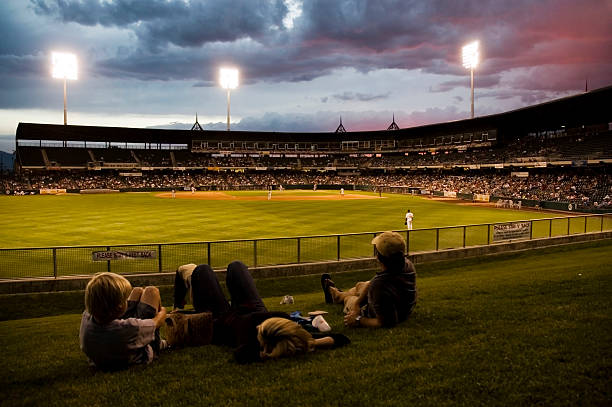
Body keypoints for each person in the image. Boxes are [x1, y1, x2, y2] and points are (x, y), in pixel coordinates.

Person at [173, 261, 349, 363]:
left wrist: (268, 353)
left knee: (201, 270)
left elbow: (240, 355)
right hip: (252, 309)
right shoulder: (284, 323)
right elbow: (341, 338)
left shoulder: (250, 339)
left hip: (223, 319)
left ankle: (177, 306)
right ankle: (179, 303)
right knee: (236, 266)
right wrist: (311, 343)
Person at [321, 231, 417, 329]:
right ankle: (337, 295)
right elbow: (372, 283)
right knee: (360, 285)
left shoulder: (380, 285)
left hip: (375, 311)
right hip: (402, 303)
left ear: (378, 257)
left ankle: (337, 296)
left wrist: (358, 320)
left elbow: (387, 322)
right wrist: (359, 302)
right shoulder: (406, 264)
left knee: (349, 300)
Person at [79, 272, 167, 371]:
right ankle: (158, 343)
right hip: (138, 353)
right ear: (119, 307)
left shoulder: (86, 318)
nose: (126, 300)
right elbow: (157, 322)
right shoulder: (129, 328)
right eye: (124, 299)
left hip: (108, 349)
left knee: (137, 291)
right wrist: (163, 311)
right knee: (152, 291)